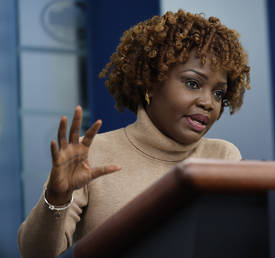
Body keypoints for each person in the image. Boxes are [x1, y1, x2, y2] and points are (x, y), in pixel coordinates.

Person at [17, 9, 250, 258]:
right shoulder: (94, 154)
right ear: (151, 81)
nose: (208, 102)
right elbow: (35, 253)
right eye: (193, 83)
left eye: (218, 94)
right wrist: (57, 195)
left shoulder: (223, 156)